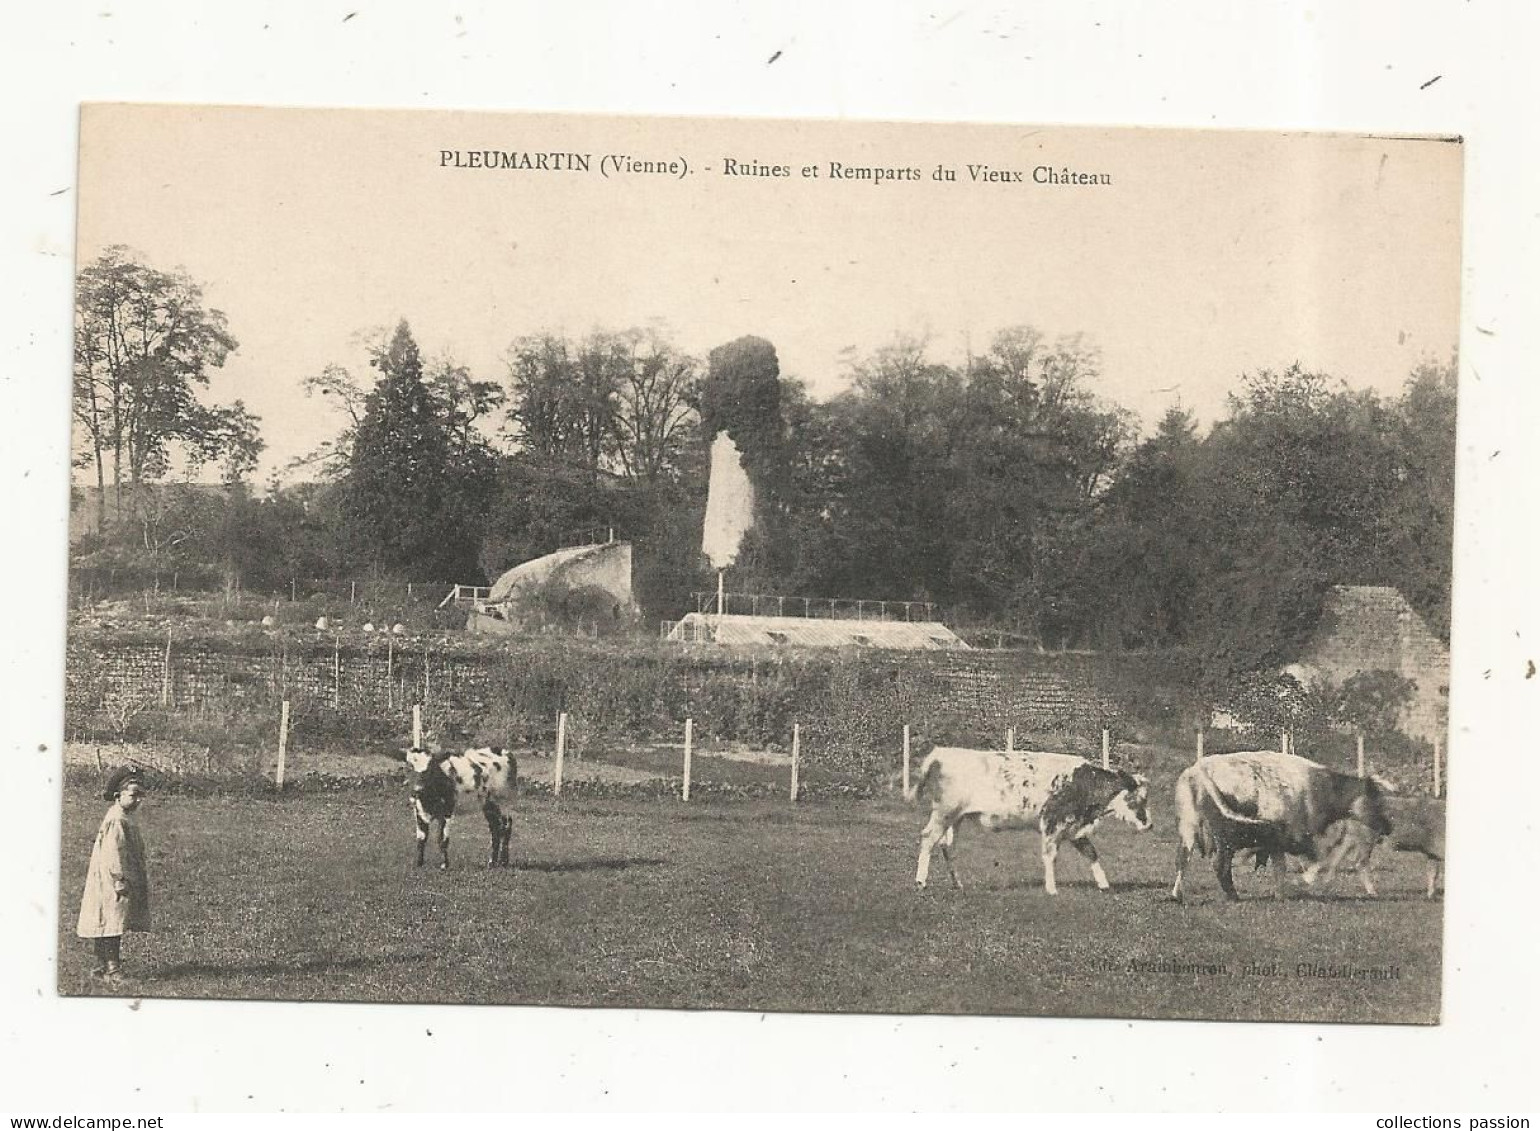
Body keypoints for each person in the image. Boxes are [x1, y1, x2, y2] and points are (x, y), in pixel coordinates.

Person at [76, 766, 151, 982]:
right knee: (112, 921)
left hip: (112, 877)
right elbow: (113, 853)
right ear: (118, 796)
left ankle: (101, 963)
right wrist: (119, 879)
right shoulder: (117, 820)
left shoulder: (124, 816)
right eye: (134, 795)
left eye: (141, 796)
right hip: (112, 879)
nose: (138, 800)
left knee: (108, 919)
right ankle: (112, 968)